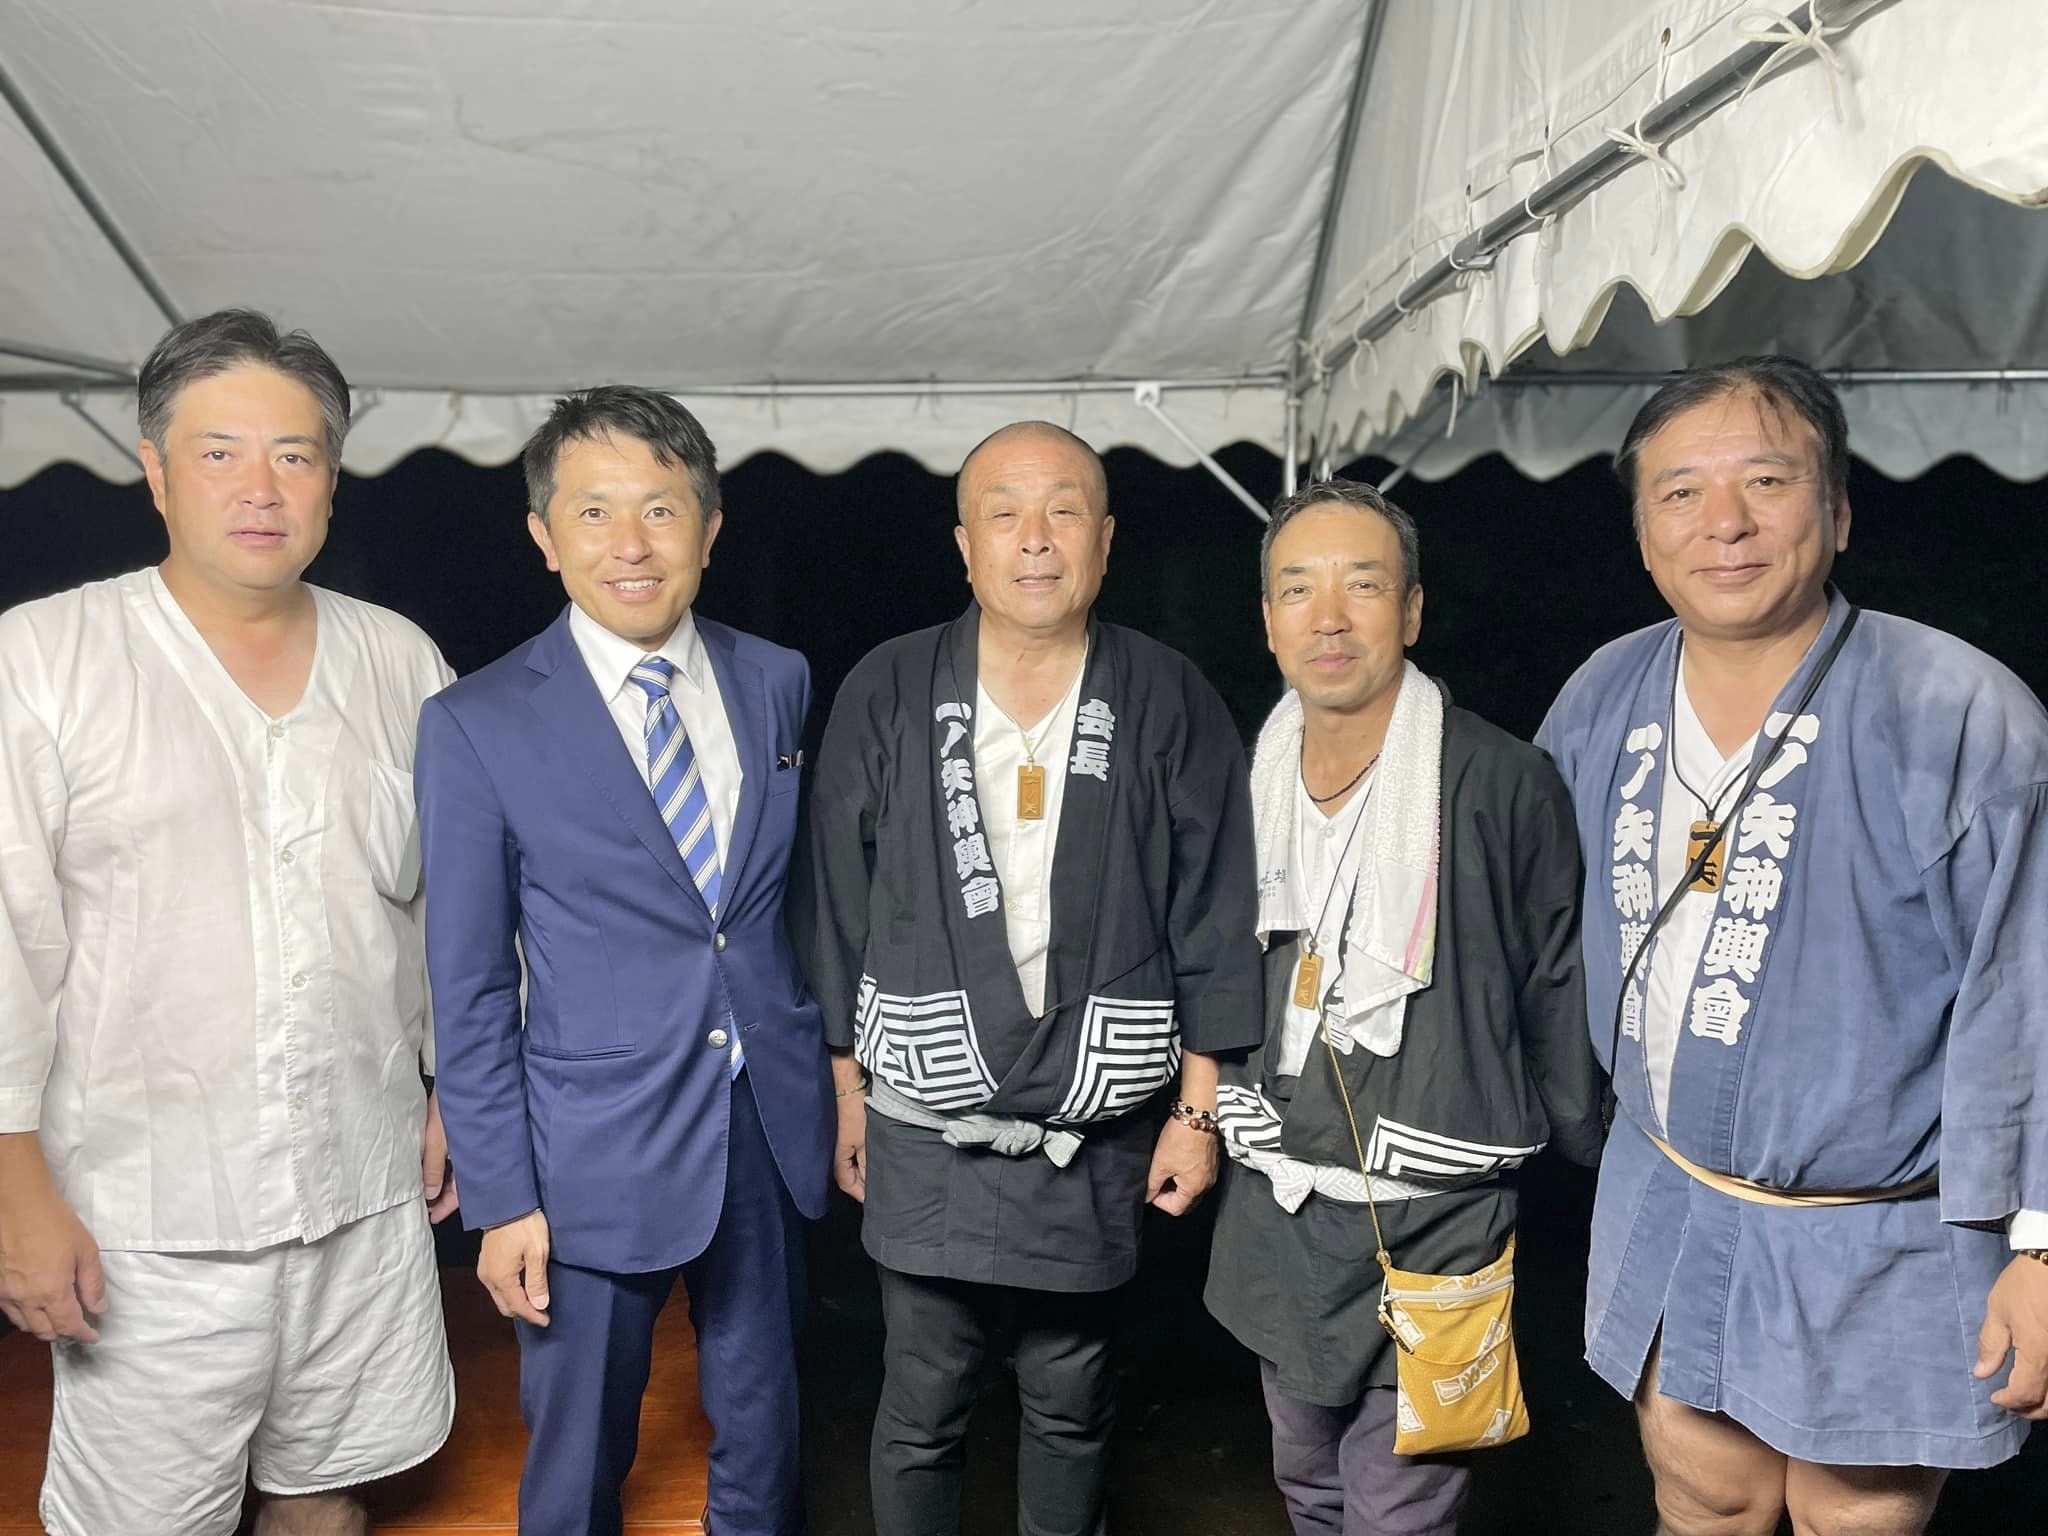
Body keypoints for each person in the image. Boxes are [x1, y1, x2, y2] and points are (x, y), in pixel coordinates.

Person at [1536, 355, 2048, 1535]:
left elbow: (2035, 993)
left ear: (1837, 509)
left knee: (1850, 1516)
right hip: (1671, 1191)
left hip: (1881, 1227)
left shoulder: (1960, 715)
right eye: (1678, 493)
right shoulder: (1602, 694)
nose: (1723, 523)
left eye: (1765, 480)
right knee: (1699, 1495)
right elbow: (1530, 928)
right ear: (1640, 529)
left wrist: (2041, 1249)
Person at [0, 309, 455, 1536]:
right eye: (218, 453)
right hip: (144, 1214)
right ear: (152, 470)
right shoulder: (44, 659)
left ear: (331, 477)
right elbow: (4, 944)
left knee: (326, 1494)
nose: (260, 488)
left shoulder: (397, 659)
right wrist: (13, 1189)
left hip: (359, 1187)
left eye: (295, 455)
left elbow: (438, 910)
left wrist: (445, 1085)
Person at [800, 421, 1264, 1535]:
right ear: (964, 546)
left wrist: (1198, 1111)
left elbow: (1215, 905)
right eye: (1004, 513)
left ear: (1103, 541)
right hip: (924, 1119)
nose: (1035, 540)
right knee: (919, 1403)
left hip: (1090, 1130)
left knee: (1071, 1399)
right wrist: (847, 1090)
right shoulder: (891, 685)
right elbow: (834, 902)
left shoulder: (1163, 693)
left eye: (1063, 511)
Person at [417, 385, 831, 1536]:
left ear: (708, 526)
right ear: (546, 539)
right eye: (593, 514)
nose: (631, 545)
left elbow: (785, 905)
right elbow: (469, 982)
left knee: (766, 1427)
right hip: (584, 1145)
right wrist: (501, 1199)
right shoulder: (478, 722)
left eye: (659, 509)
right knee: (577, 1452)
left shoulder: (776, 677)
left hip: (764, 1117)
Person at [1202, 479, 1604, 1536]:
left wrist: (1584, 1134)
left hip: (1437, 1208)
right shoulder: (1244, 782)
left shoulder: (1499, 779)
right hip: (1279, 1205)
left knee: (1402, 1509)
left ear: (1412, 611)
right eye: (1297, 589)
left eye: (1362, 586)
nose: (1327, 617)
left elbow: (1553, 972)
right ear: (1267, 621)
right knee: (1305, 1483)